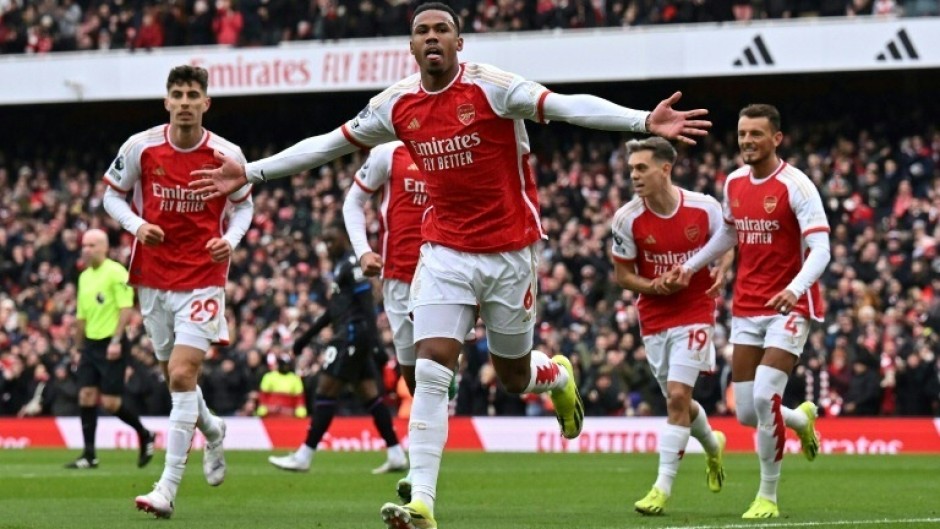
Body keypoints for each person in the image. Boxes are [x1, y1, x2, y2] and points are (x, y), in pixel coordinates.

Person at [190, 4, 710, 527]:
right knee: (433, 367)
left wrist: (642, 120)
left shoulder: (492, 87)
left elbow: (569, 105)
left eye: (443, 30)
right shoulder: (396, 105)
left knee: (512, 375)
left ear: (460, 43)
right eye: (422, 32)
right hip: (443, 251)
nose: (433, 38)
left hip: (510, 252)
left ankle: (554, 378)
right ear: (411, 47)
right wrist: (253, 172)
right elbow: (329, 144)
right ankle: (422, 501)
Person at [102, 64, 254, 519]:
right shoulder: (141, 147)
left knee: (184, 376)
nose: (185, 102)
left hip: (204, 276)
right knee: (175, 378)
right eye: (178, 94)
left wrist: (230, 240)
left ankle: (166, 489)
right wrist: (137, 224)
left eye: (193, 95)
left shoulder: (227, 154)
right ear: (166, 102)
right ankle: (214, 428)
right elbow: (111, 196)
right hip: (152, 277)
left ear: (206, 103)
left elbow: (244, 209)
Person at [665, 104, 830, 519]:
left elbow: (821, 250)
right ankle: (800, 421)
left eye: (756, 134)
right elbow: (729, 232)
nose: (747, 142)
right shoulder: (735, 182)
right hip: (746, 306)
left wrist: (795, 290)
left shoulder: (798, 186)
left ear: (776, 139)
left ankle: (767, 497)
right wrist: (692, 265)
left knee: (763, 396)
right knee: (744, 413)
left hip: (789, 306)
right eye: (742, 134)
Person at [610, 138, 731, 515]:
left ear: (665, 169)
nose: (634, 175)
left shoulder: (704, 207)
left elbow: (727, 239)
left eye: (641, 168)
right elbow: (622, 275)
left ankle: (661, 489)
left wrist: (724, 269)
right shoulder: (627, 218)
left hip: (695, 309)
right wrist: (654, 285)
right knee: (679, 401)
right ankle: (713, 446)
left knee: (678, 396)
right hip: (654, 316)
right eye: (631, 169)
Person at [268, 221, 407, 474]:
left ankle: (305, 455)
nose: (328, 246)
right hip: (351, 335)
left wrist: (375, 344)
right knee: (369, 395)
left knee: (325, 389)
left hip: (352, 336)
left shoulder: (354, 263)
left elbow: (366, 305)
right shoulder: (341, 266)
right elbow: (333, 311)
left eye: (332, 240)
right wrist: (303, 339)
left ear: (345, 236)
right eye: (325, 242)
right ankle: (396, 452)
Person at [66, 228, 155, 470]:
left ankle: (144, 434)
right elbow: (81, 315)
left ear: (104, 248)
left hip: (110, 343)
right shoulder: (84, 277)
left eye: (91, 245)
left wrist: (116, 340)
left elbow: (126, 308)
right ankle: (89, 454)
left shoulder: (116, 272)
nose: (86, 249)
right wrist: (77, 346)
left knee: (110, 402)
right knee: (85, 395)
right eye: (84, 245)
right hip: (90, 344)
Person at [257, 353, 308, 418]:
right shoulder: (269, 377)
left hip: (289, 416)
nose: (285, 367)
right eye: (283, 364)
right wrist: (266, 409)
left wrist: (297, 412)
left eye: (286, 365)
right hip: (270, 415)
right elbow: (263, 397)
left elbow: (299, 399)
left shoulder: (295, 379)